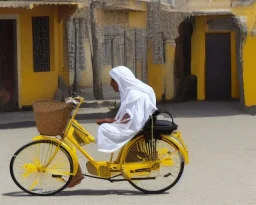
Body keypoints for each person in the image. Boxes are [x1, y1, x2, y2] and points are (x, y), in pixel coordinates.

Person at [67, 66, 157, 187]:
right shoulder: (131, 91)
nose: (111, 84)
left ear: (121, 80)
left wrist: (110, 121)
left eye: (113, 81)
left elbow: (130, 118)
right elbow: (129, 116)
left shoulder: (133, 94)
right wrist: (112, 120)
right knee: (104, 128)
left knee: (104, 129)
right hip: (132, 125)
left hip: (132, 127)